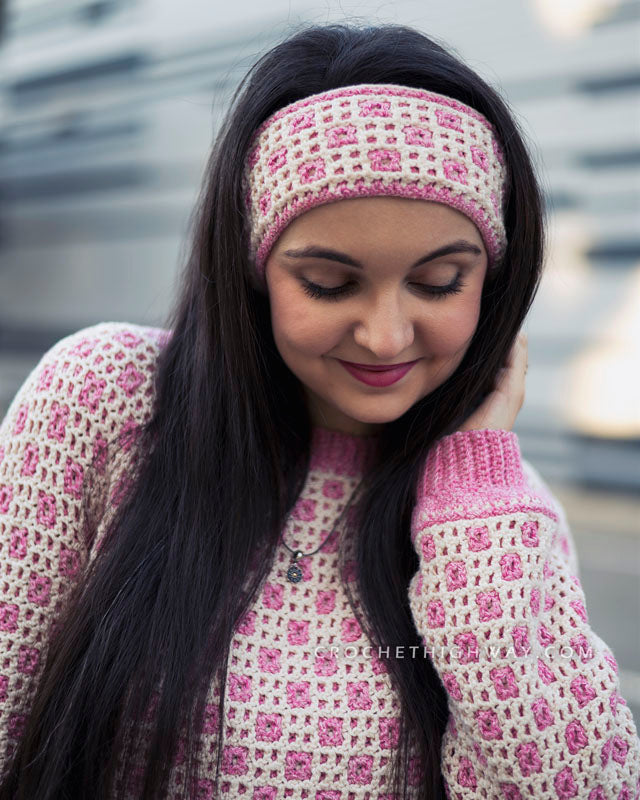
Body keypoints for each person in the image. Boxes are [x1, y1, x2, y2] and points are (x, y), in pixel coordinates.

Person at [0, 21, 638, 800]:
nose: (386, 335)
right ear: (255, 272)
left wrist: (472, 495)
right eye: (330, 284)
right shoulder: (105, 401)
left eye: (439, 282)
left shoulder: (503, 516)